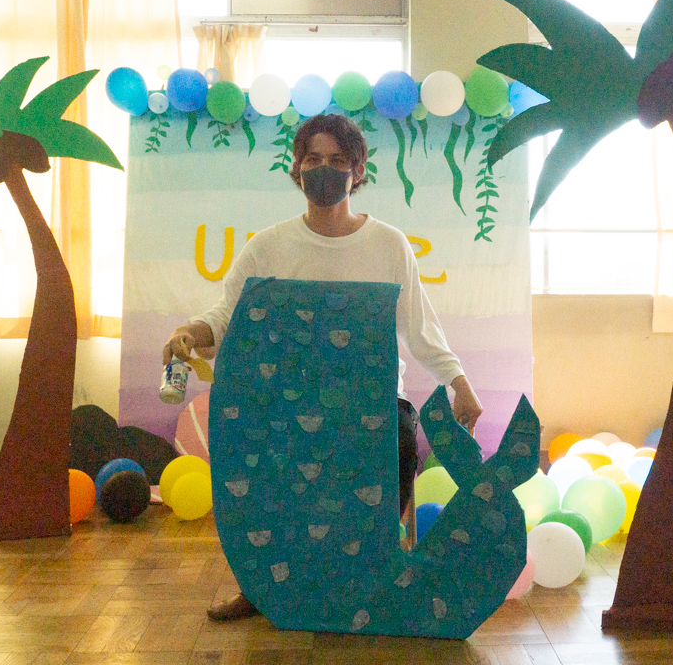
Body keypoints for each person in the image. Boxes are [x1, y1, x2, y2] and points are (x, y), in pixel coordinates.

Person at [162, 113, 482, 621]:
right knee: (258, 456)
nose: (324, 170)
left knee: (400, 442)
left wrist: (460, 384)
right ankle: (262, 586)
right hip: (291, 399)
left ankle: (373, 579)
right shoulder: (269, 246)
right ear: (297, 168)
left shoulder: (388, 245)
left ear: (359, 171)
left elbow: (421, 330)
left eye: (337, 160)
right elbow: (226, 316)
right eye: (313, 159)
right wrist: (189, 333)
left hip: (373, 400)